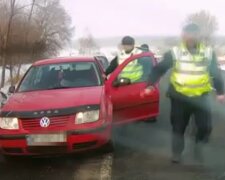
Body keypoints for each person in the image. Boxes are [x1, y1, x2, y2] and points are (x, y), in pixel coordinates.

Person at [142, 23, 225, 163]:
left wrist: (220, 92)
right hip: (179, 97)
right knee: (178, 127)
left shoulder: (208, 53)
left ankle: (198, 148)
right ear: (183, 36)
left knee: (205, 128)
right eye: (188, 35)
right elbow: (159, 69)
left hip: (201, 97)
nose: (191, 38)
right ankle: (177, 153)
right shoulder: (174, 53)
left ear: (199, 36)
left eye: (194, 35)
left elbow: (215, 73)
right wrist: (150, 85)